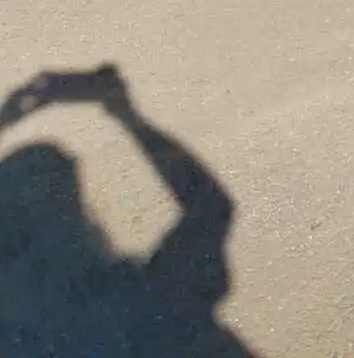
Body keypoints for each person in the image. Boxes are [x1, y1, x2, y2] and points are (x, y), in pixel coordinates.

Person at [0, 65, 253, 356]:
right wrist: (124, 112)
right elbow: (209, 208)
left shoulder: (23, 337)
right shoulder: (149, 300)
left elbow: (209, 210)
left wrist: (123, 111)